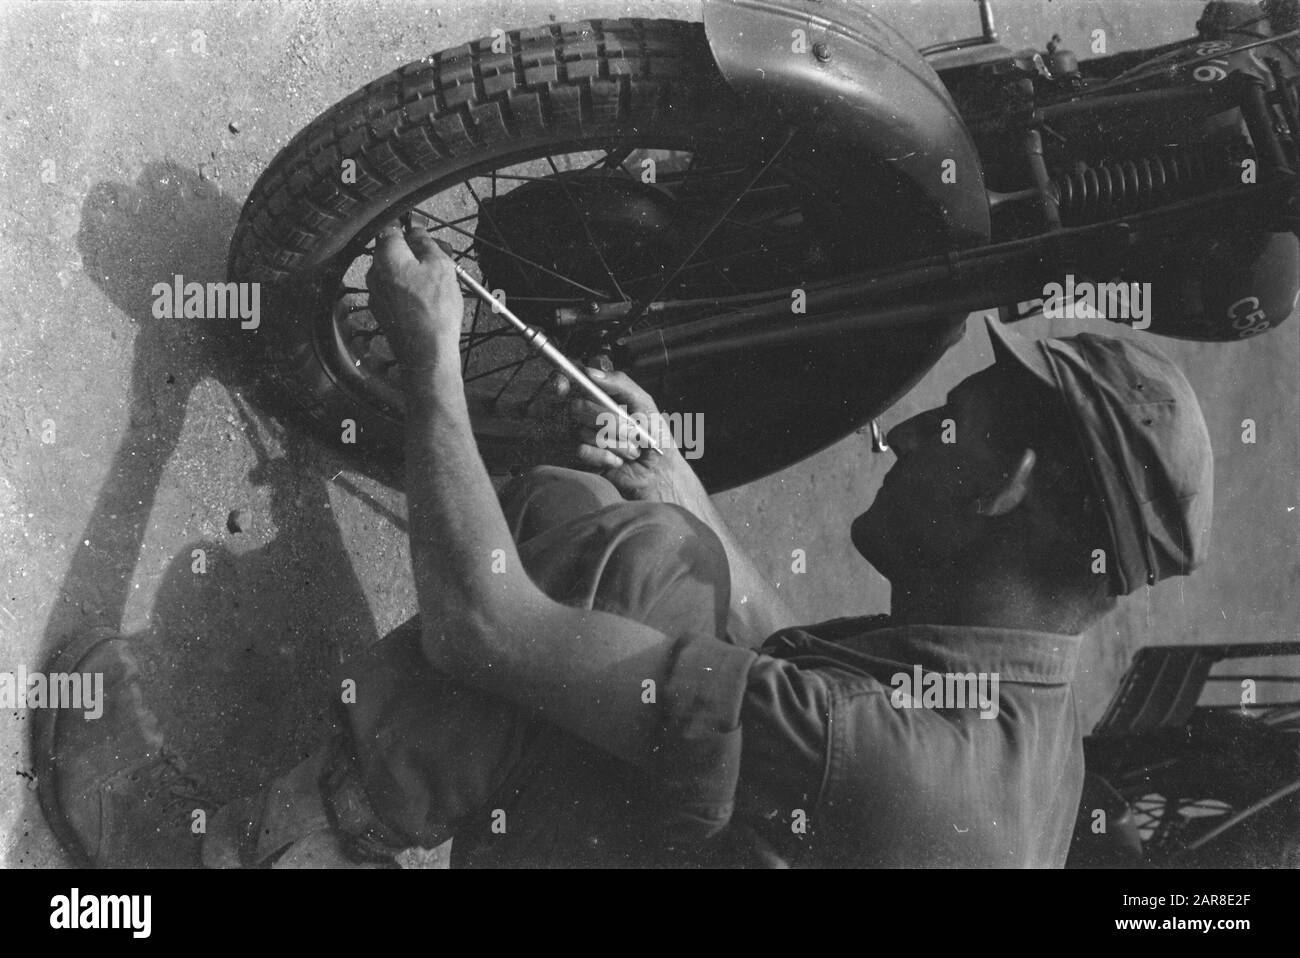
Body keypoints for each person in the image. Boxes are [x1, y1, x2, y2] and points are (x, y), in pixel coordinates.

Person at [34, 223, 1214, 868]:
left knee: (525, 657)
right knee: (644, 554)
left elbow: (484, 628)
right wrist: (687, 491)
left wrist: (433, 364)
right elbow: (792, 682)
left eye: (943, 425)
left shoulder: (901, 763)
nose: (900, 433)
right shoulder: (1027, 706)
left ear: (1008, 487)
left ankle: (224, 856)